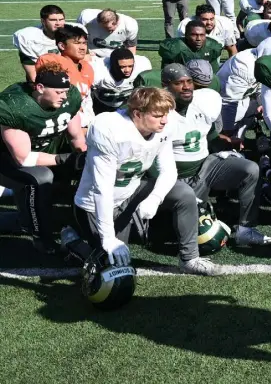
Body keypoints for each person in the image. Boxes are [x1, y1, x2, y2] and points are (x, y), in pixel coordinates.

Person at [72, 86, 220, 276]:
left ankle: (190, 259)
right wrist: (108, 238)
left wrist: (155, 198)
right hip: (94, 204)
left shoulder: (165, 125)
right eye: (158, 115)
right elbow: (103, 189)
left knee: (183, 193)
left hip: (130, 191)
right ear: (137, 113)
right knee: (112, 268)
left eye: (166, 114)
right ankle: (73, 242)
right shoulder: (110, 128)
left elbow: (169, 170)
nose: (164, 120)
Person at [159, 64, 271, 246]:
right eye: (179, 83)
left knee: (250, 169)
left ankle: (246, 229)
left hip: (205, 167)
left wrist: (229, 145)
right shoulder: (158, 113)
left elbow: (211, 136)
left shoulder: (204, 101)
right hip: (175, 178)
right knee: (188, 235)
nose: (187, 87)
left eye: (189, 81)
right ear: (166, 85)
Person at [0, 62, 86, 253]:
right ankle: (41, 237)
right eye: (58, 92)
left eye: (66, 91)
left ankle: (81, 223)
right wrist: (64, 159)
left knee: (88, 164)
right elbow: (24, 159)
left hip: (46, 150)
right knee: (41, 178)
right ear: (40, 88)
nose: (64, 96)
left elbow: (77, 137)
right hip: (7, 160)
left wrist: (83, 158)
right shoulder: (15, 106)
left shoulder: (69, 97)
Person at [36, 25, 95, 123]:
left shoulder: (87, 67)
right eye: (77, 43)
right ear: (62, 46)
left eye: (84, 43)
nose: (82, 48)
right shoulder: (52, 61)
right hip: (58, 115)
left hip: (82, 114)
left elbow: (86, 98)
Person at [13, 5, 71, 82]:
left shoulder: (72, 33)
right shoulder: (28, 38)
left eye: (61, 19)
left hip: (70, 76)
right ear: (43, 21)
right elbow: (33, 76)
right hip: (44, 81)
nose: (58, 23)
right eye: (53, 20)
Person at [90, 47, 151, 114]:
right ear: (113, 65)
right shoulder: (97, 70)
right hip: (102, 105)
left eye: (130, 66)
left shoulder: (142, 65)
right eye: (122, 67)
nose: (127, 70)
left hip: (128, 106)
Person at [159, 20, 224, 71]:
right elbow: (166, 75)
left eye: (202, 35)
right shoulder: (174, 48)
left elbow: (214, 74)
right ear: (186, 35)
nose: (198, 39)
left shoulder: (212, 47)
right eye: (194, 35)